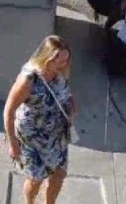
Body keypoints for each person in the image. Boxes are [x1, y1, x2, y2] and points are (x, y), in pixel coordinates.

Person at [4, 36, 75, 204]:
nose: (63, 65)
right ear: (47, 57)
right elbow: (9, 111)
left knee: (59, 174)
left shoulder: (60, 73)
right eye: (59, 61)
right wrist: (13, 145)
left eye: (66, 60)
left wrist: (71, 104)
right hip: (32, 137)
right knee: (36, 179)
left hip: (56, 134)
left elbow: (66, 92)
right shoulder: (29, 80)